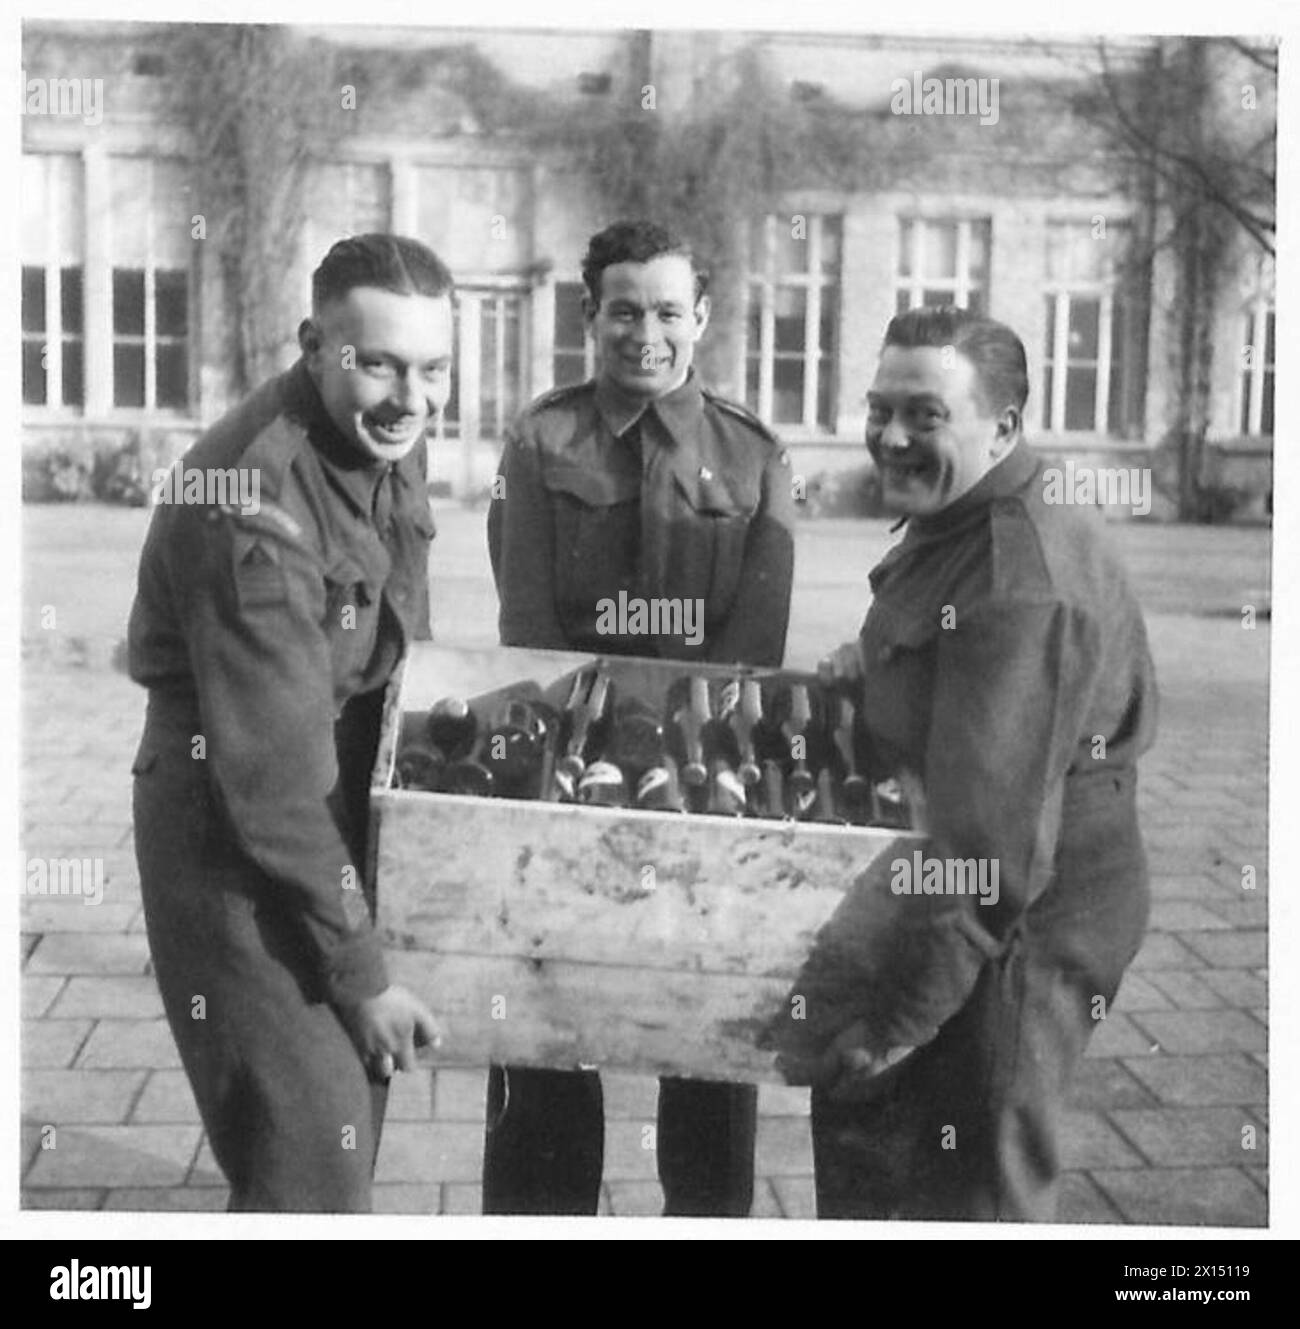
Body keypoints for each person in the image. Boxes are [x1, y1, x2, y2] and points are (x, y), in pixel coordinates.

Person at [809, 306, 1157, 1220]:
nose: (889, 436)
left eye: (925, 414)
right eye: (879, 408)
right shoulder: (970, 511)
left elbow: (984, 857)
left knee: (977, 1194)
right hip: (984, 891)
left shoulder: (1017, 576)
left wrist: (894, 1026)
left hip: (1015, 929)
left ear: (1004, 424)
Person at [127, 234, 451, 1211]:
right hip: (238, 839)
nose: (411, 396)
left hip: (331, 806)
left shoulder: (380, 434)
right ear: (315, 344)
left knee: (333, 1136)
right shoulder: (254, 498)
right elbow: (269, 780)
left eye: (433, 369)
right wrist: (360, 975)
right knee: (309, 1172)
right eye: (380, 363)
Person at [485, 219, 797, 1215]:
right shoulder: (541, 442)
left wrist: (688, 782)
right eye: (624, 310)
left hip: (703, 783)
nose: (645, 334)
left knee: (706, 1048)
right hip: (565, 774)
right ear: (591, 315)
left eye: (668, 311)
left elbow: (752, 650)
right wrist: (573, 777)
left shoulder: (751, 455)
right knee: (544, 1040)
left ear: (700, 318)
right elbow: (528, 628)